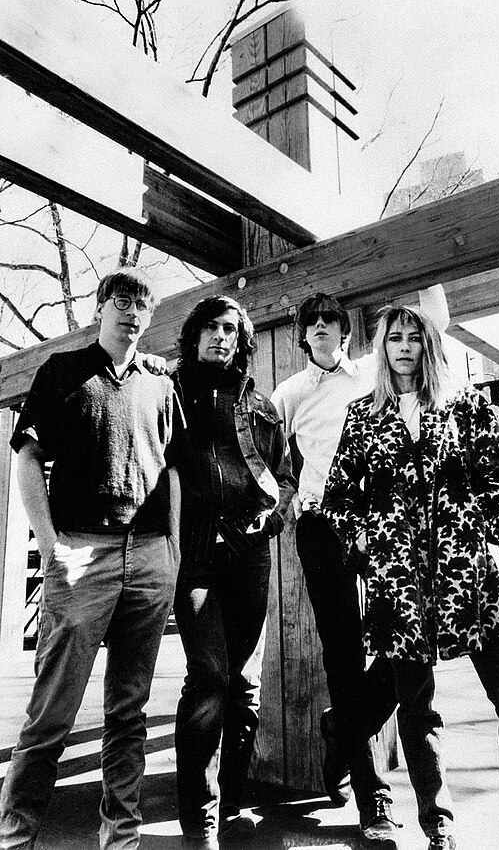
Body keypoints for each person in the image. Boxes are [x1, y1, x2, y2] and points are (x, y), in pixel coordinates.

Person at [322, 303, 499, 850]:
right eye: (394, 338)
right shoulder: (363, 416)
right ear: (382, 348)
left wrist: (475, 524)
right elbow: (338, 497)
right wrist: (367, 538)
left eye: (414, 337)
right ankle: (439, 824)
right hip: (401, 586)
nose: (404, 346)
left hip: (471, 578)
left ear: (430, 344)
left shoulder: (467, 407)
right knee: (417, 707)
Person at [0, 267, 184, 850]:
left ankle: (121, 836)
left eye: (141, 306)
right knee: (53, 710)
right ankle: (16, 834)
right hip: (83, 553)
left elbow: (173, 469)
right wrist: (51, 544)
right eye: (120, 301)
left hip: (151, 555)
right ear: (100, 308)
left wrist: (174, 549)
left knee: (128, 711)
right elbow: (28, 459)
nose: (131, 313)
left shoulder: (160, 382)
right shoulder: (62, 372)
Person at [271, 286, 449, 849]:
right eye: (312, 321)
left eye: (331, 319)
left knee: (409, 644)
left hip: (383, 526)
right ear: (302, 334)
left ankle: (343, 725)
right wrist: (284, 492)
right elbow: (257, 447)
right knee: (343, 654)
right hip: (322, 528)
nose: (321, 326)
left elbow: (431, 330)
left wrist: (431, 281)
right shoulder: (288, 393)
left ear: (346, 332)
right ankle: (373, 795)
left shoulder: (372, 373)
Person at [171, 296, 296, 850]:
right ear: (194, 335)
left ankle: (233, 805)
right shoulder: (169, 394)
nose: (220, 337)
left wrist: (272, 517)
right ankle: (197, 815)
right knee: (208, 678)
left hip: (250, 553)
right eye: (210, 328)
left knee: (243, 684)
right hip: (193, 554)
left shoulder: (261, 406)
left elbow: (286, 474)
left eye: (229, 329)